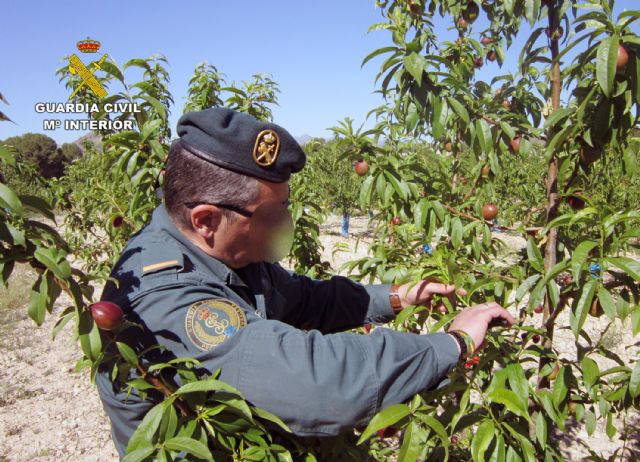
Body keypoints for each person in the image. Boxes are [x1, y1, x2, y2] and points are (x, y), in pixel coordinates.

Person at [95, 107, 515, 458]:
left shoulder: (228, 255)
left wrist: (398, 296)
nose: (286, 225)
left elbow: (303, 298)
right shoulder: (163, 292)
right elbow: (315, 382)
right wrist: (453, 343)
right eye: (273, 214)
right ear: (206, 219)